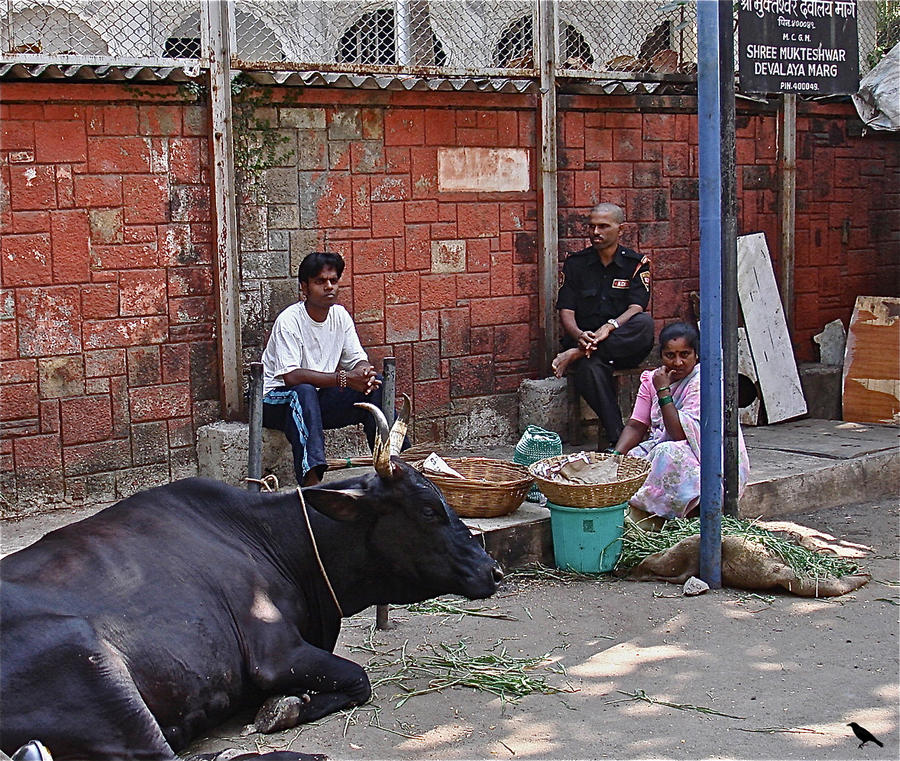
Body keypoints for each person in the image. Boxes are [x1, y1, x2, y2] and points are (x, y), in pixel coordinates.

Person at [261, 252, 382, 487]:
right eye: (320, 282)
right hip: (274, 401)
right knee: (303, 391)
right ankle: (312, 485)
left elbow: (357, 359)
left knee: (377, 386)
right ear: (304, 287)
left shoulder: (340, 316)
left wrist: (364, 373)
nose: (329, 287)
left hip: (315, 399)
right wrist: (345, 379)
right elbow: (291, 376)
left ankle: (399, 466)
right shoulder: (290, 320)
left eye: (333, 281)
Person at [611, 321, 751, 521]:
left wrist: (663, 392)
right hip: (667, 444)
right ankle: (651, 513)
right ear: (661, 356)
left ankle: (691, 513)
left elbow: (679, 433)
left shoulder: (703, 381)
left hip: (707, 455)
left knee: (666, 453)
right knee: (632, 459)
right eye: (670, 355)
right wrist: (616, 456)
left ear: (695, 355)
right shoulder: (651, 379)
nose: (677, 363)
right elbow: (636, 424)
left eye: (684, 354)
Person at [552, 203, 655, 446]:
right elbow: (566, 310)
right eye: (592, 226)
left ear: (620, 229)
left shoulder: (636, 264)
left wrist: (609, 327)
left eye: (603, 226)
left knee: (644, 324)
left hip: (622, 345)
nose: (595, 232)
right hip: (588, 346)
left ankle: (576, 355)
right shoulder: (576, 264)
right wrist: (578, 336)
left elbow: (636, 307)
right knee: (589, 372)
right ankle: (617, 438)